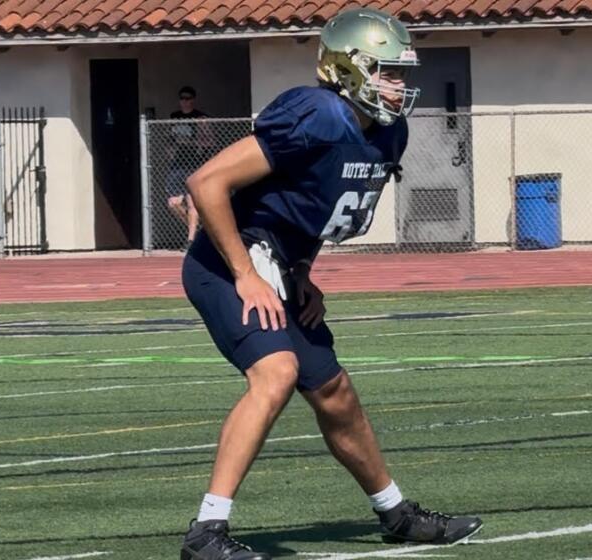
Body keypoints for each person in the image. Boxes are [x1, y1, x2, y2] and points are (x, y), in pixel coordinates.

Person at [179, 8, 483, 560]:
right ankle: (207, 532)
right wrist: (246, 276)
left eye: (402, 74)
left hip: (278, 265)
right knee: (276, 373)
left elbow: (319, 211)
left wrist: (301, 272)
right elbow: (206, 182)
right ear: (346, 69)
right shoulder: (316, 115)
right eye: (386, 72)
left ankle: (395, 513)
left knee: (334, 392)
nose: (399, 85)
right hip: (225, 262)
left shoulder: (389, 134)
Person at [166, 86, 209, 246]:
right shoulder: (174, 117)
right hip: (178, 163)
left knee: (192, 203)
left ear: (193, 100)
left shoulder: (200, 118)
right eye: (182, 98)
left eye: (188, 98)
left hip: (194, 163)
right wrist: (170, 152)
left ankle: (191, 240)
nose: (185, 101)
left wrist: (189, 142)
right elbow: (170, 139)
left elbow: (209, 141)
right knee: (174, 203)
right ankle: (198, 229)